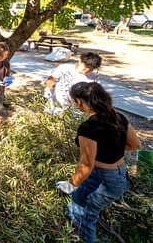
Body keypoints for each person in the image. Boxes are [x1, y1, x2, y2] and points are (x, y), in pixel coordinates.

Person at [56, 82, 141, 243]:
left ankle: (83, 238)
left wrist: (71, 184)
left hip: (106, 179)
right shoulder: (117, 116)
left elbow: (86, 165)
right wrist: (111, 151)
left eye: (74, 101)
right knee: (77, 201)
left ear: (79, 102)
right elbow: (135, 144)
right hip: (119, 173)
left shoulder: (88, 127)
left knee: (84, 214)